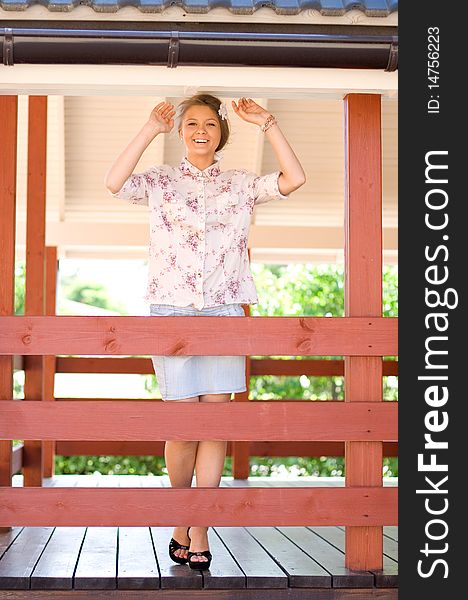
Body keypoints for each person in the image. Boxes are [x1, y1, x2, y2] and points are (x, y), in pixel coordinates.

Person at [104, 94, 306, 570]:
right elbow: (114, 182)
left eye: (210, 124)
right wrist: (149, 128)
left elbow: (294, 179)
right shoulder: (160, 181)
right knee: (181, 425)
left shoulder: (239, 184)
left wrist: (269, 123)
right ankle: (181, 514)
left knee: (216, 422)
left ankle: (201, 526)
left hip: (223, 310)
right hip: (170, 309)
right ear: (181, 132)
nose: (200, 130)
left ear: (221, 133)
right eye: (191, 123)